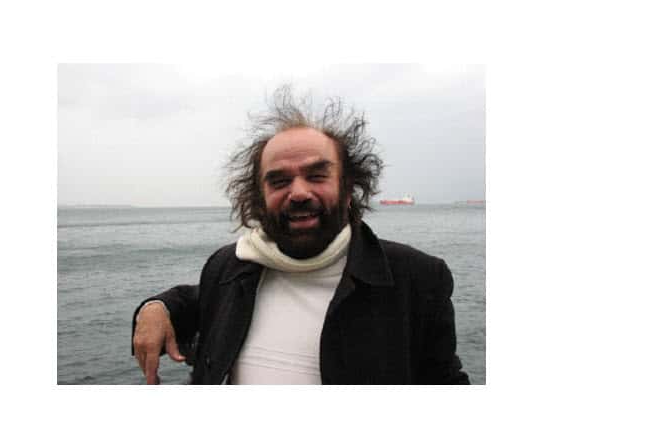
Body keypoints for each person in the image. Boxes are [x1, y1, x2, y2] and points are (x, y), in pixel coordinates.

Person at [132, 86, 471, 384]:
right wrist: (156, 307)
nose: (298, 193)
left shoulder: (416, 279)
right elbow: (198, 299)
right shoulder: (228, 265)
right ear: (259, 197)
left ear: (348, 189)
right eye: (279, 181)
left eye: (317, 175)